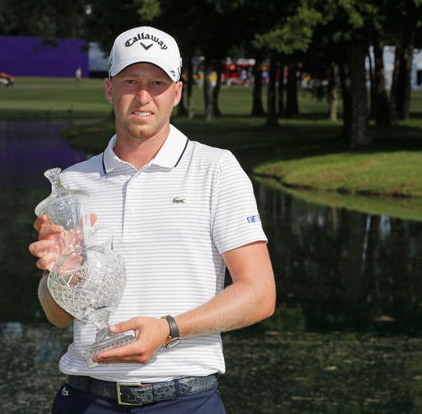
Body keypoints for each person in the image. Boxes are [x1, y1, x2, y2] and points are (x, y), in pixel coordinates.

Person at [29, 26, 276, 413]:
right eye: (131, 81)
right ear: (110, 88)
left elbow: (260, 294)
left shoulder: (216, 169)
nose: (143, 97)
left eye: (157, 83)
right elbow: (57, 315)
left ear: (176, 92)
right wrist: (61, 275)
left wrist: (169, 329)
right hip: (85, 399)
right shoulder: (74, 183)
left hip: (185, 400)